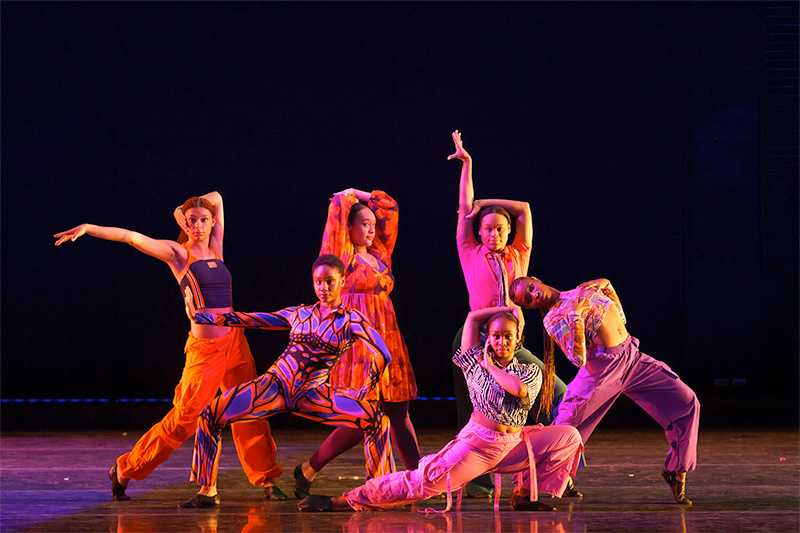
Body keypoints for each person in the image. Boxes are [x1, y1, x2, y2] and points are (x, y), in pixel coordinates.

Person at [53, 192, 284, 501]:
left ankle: (267, 478)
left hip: (235, 341)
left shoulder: (217, 247)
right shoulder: (178, 253)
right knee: (185, 419)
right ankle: (124, 468)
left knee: (250, 408)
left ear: (212, 222)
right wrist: (89, 227)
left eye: (204, 220)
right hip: (206, 351)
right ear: (185, 225)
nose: (199, 226)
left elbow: (216, 196)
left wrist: (185, 209)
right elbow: (131, 237)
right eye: (192, 221)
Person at [297, 307, 583, 513]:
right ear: (488, 338)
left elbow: (518, 390)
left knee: (569, 436)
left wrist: (491, 363)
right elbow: (472, 317)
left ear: (518, 338)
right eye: (496, 336)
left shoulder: (529, 371)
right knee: (421, 482)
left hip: (513, 444)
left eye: (508, 336)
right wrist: (503, 310)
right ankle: (343, 501)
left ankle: (523, 496)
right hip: (478, 447)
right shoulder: (474, 361)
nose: (502, 342)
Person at [181, 254, 396, 508]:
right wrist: (202, 318)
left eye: (329, 282)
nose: (323, 288)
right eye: (318, 282)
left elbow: (383, 353)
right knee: (210, 415)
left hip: (312, 394)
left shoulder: (351, 320)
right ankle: (207, 491)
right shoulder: (299, 314)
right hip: (275, 386)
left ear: (342, 281)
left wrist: (367, 387)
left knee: (377, 420)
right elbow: (252, 319)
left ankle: (379, 493)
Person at [447, 129, 572, 498]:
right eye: (487, 228)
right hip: (477, 339)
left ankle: (555, 472)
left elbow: (524, 210)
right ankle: (475, 481)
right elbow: (465, 207)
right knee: (475, 410)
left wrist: (487, 201)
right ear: (478, 232)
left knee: (555, 395)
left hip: (511, 342)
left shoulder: (519, 256)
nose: (494, 234)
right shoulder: (469, 250)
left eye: (500, 229)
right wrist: (467, 165)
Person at [510, 276, 700, 505]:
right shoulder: (553, 318)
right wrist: (576, 316)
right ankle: (526, 488)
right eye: (527, 300)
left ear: (536, 280)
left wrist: (608, 286)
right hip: (603, 369)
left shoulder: (579, 290)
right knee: (567, 424)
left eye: (531, 288)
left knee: (687, 402)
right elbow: (577, 357)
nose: (533, 295)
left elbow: (621, 318)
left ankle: (676, 471)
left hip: (632, 357)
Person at [293, 189, 420, 499]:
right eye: (364, 223)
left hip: (386, 334)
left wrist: (364, 195)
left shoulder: (379, 254)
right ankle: (324, 470)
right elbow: (337, 210)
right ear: (348, 228)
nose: (371, 229)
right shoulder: (342, 259)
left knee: (399, 412)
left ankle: (420, 482)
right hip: (357, 344)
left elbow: (390, 208)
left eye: (372, 224)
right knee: (366, 416)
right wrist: (347, 196)